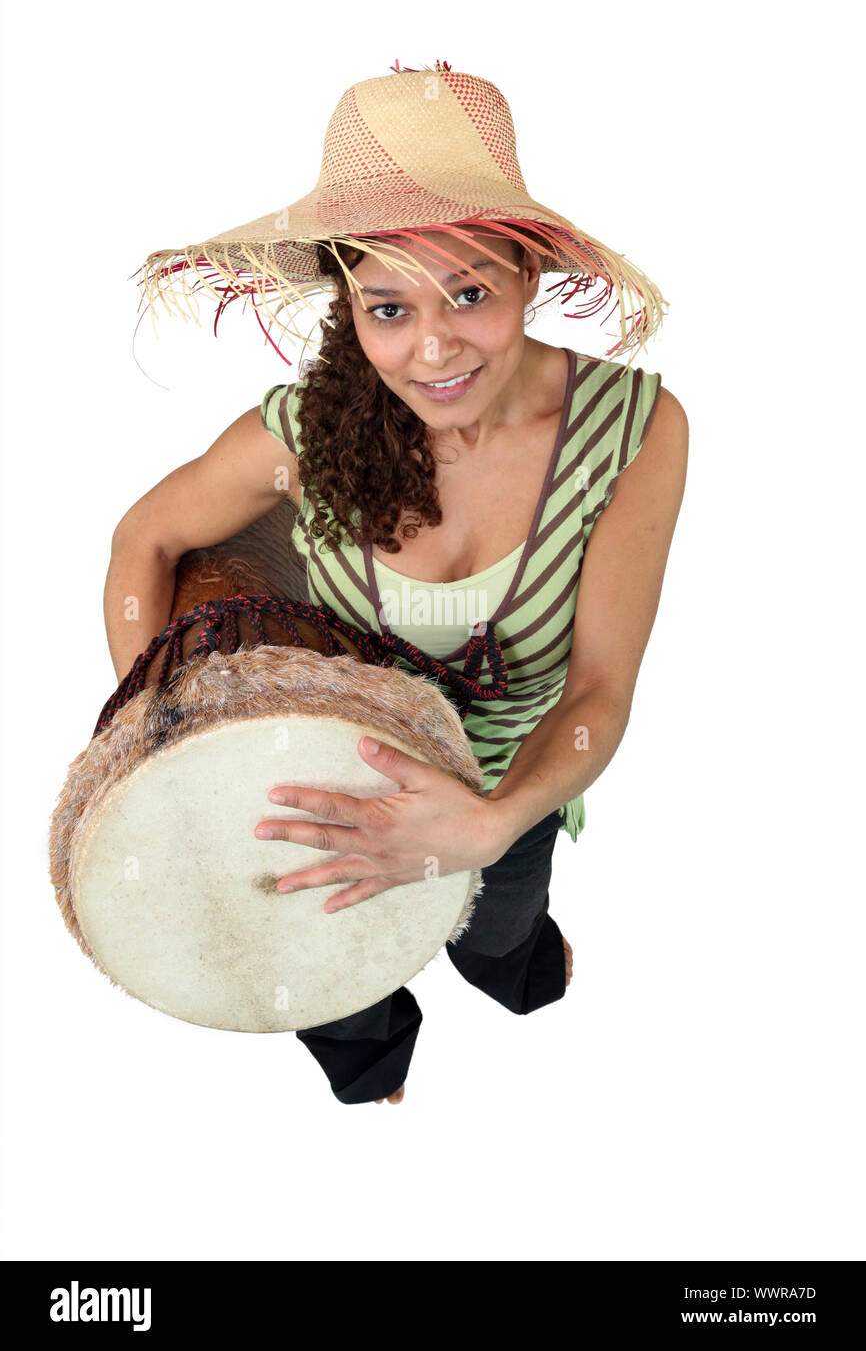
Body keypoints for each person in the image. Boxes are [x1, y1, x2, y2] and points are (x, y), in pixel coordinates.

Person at [107, 62, 688, 1105]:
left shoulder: (633, 432)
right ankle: (376, 1071)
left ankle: (511, 971)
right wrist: (164, 730)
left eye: (468, 291)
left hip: (511, 780)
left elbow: (599, 687)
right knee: (331, 977)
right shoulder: (298, 434)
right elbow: (142, 539)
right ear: (347, 301)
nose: (429, 348)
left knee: (502, 927)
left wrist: (494, 816)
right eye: (385, 306)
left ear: (529, 270)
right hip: (314, 783)